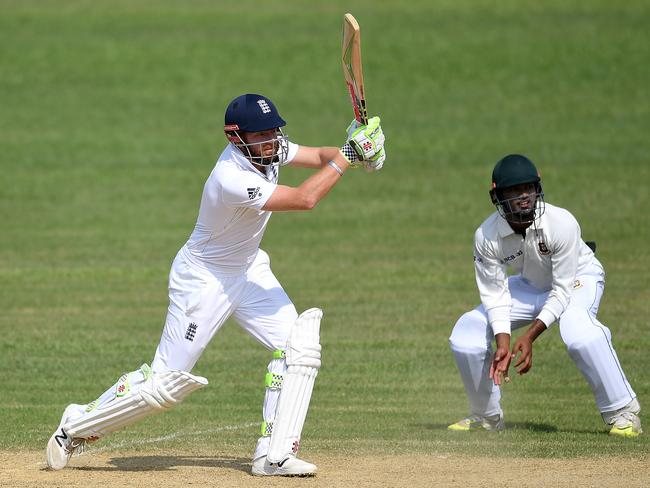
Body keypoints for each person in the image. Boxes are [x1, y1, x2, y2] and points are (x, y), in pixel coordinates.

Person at [46, 93, 386, 475]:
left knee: (298, 347)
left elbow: (322, 155)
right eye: (262, 135)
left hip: (248, 269)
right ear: (235, 139)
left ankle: (273, 456)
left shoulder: (269, 148)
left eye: (275, 131)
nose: (272, 140)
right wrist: (349, 156)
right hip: (204, 280)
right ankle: (75, 424)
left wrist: (360, 149)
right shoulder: (231, 177)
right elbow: (305, 199)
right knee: (165, 385)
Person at [447, 154, 642, 437]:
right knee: (467, 330)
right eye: (514, 191)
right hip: (530, 284)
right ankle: (487, 416)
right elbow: (494, 293)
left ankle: (623, 412)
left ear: (537, 189)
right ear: (497, 196)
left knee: (579, 331)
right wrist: (504, 341)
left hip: (578, 279)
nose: (524, 196)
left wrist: (528, 336)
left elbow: (562, 291)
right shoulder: (486, 236)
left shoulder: (561, 222)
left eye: (528, 188)